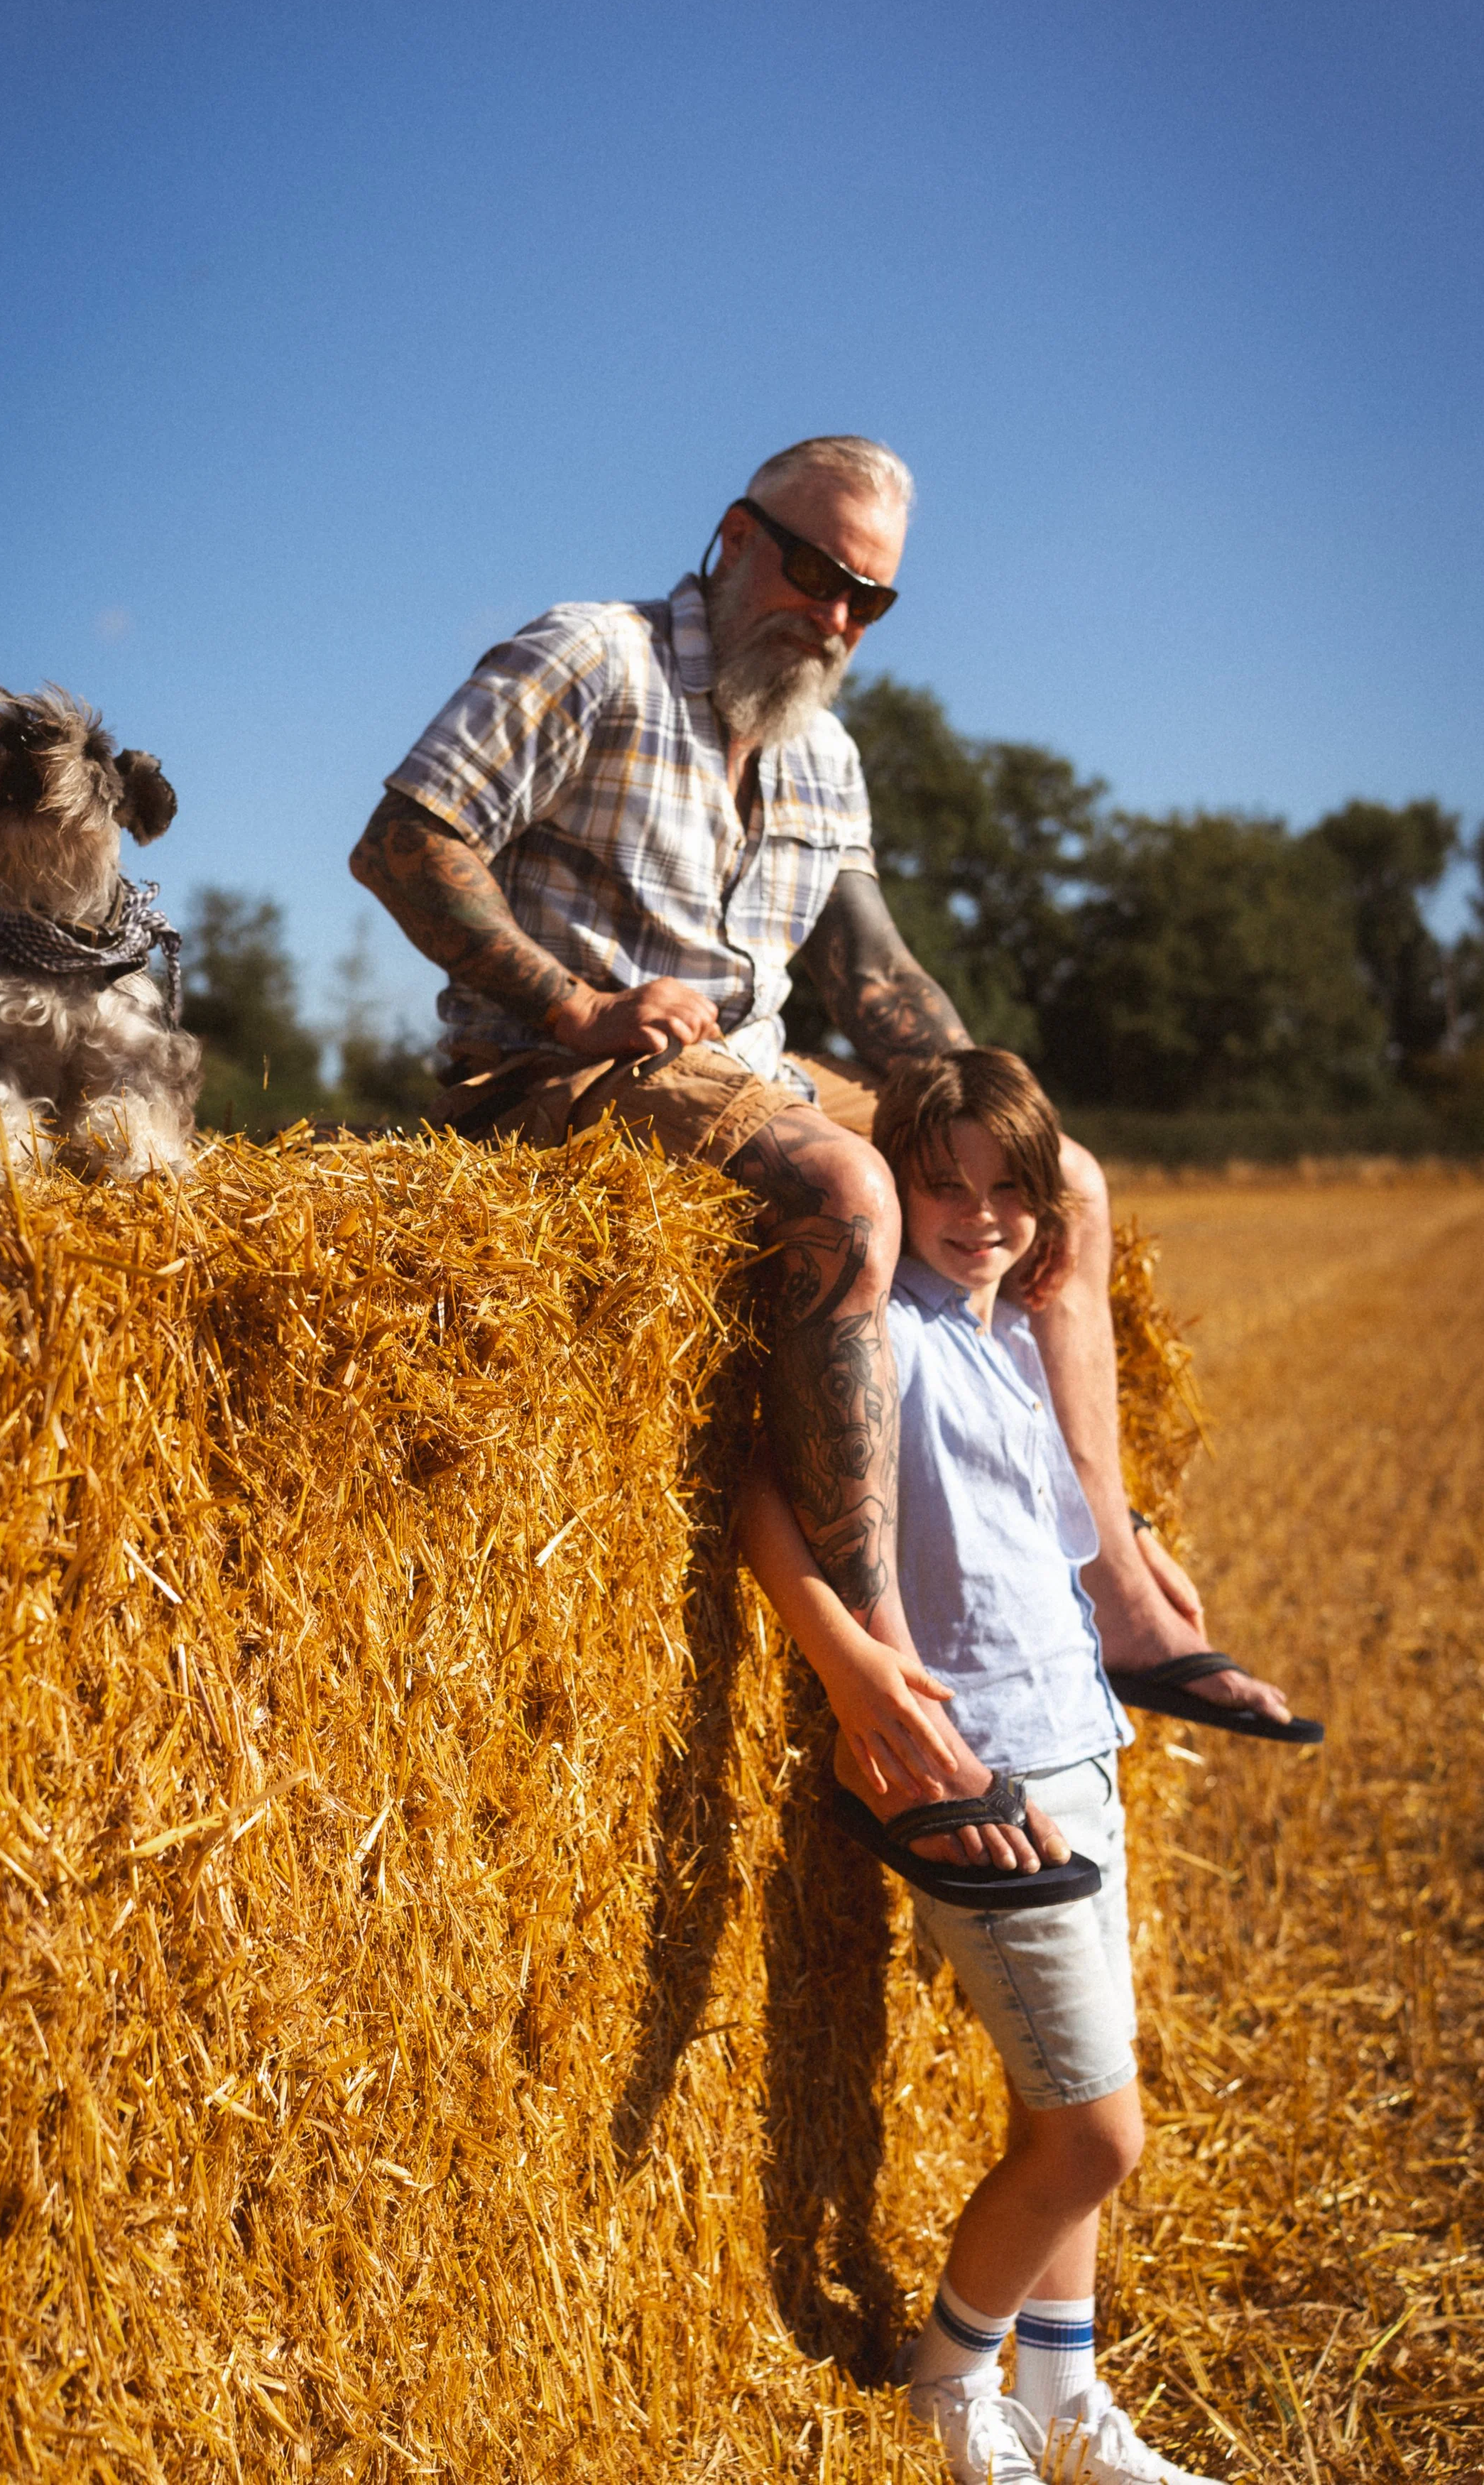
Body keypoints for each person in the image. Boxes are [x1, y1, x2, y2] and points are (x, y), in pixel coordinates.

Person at [349, 434, 1304, 1876]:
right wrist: (574, 1002)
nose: (836, 616)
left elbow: (870, 975)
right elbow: (405, 844)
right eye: (813, 572)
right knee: (843, 1187)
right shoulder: (593, 657)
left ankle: (1109, 1574)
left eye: (870, 598)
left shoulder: (821, 750)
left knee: (1071, 1180)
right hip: (559, 1076)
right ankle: (890, 1701)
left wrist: (994, 1112)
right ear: (736, 539)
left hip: (754, 1071)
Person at [738, 1049, 1218, 2485]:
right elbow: (751, 1482)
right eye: (940, 1186)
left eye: (1007, 1189)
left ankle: (1063, 2403)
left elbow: (1049, 1519)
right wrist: (839, 1656)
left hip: (1080, 1742)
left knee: (1055, 2105)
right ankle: (948, 2379)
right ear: (896, 1184)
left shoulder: (1019, 1340)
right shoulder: (879, 1329)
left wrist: (1123, 1547)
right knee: (1093, 2138)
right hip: (974, 1772)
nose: (979, 1214)